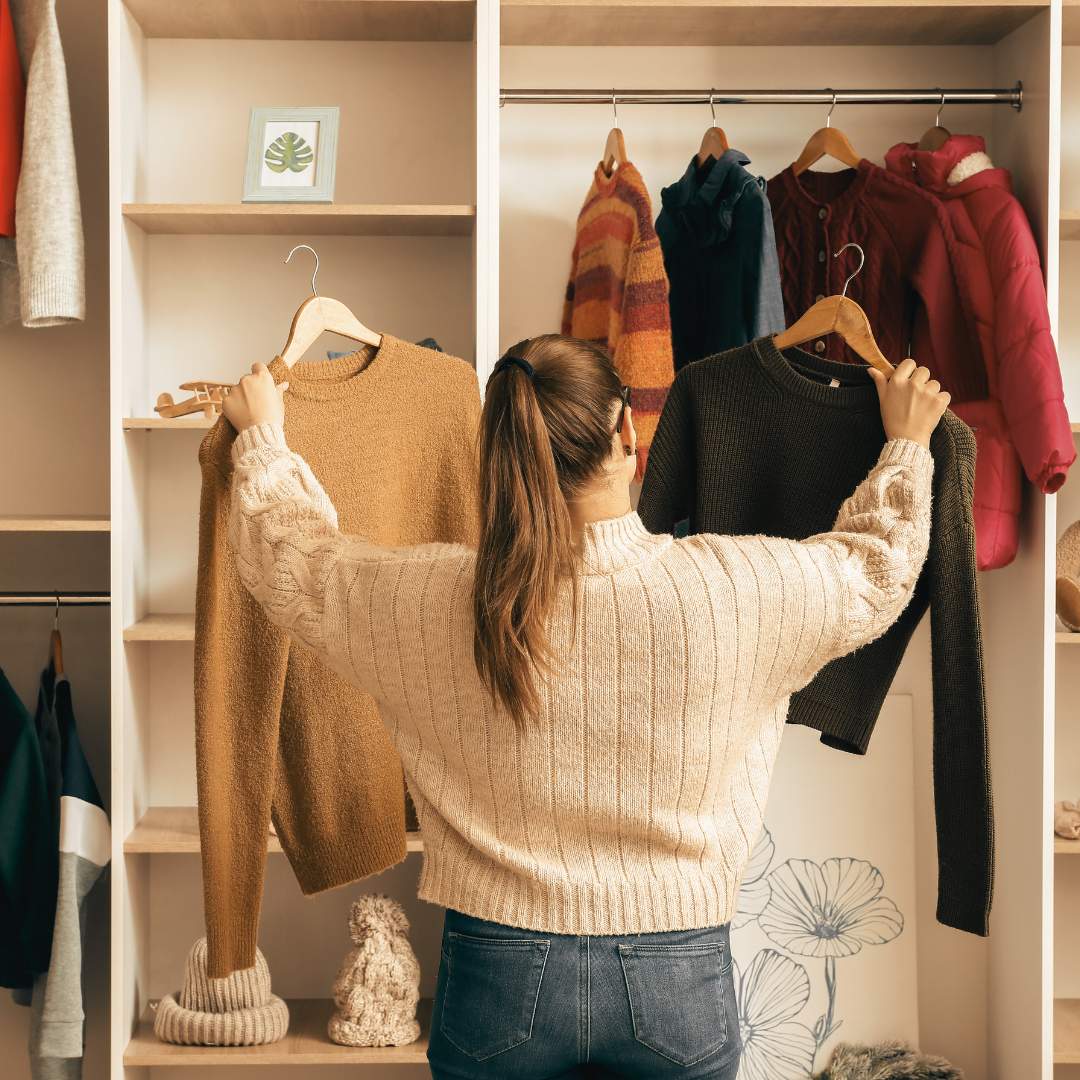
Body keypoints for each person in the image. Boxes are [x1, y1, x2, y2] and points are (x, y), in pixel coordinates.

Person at [221, 335, 948, 1080]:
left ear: (498, 451)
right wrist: (906, 445)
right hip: (678, 970)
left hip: (496, 972)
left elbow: (293, 561)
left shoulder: (430, 600)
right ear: (625, 432)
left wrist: (264, 440)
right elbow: (877, 565)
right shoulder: (737, 591)